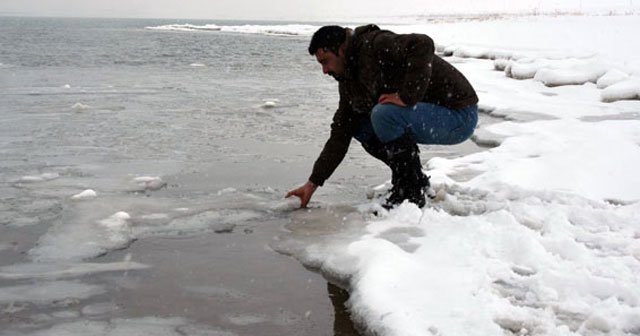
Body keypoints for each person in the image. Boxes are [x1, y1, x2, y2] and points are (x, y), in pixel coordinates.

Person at [286, 24, 478, 209]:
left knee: (383, 115)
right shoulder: (349, 81)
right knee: (360, 127)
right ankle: (413, 180)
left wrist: (407, 96)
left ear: (342, 50)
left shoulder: (375, 44)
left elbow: (422, 43)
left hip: (458, 115)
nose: (325, 71)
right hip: (434, 116)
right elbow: (340, 133)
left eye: (325, 61)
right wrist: (312, 183)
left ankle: (410, 194)